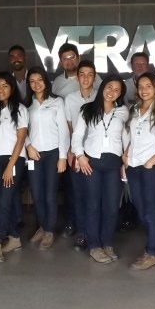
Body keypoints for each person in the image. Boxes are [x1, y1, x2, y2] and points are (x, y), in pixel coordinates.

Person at [71, 75, 128, 264]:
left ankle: (107, 242)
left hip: (113, 164)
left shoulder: (123, 112)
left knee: (111, 206)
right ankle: (94, 245)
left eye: (117, 90)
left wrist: (126, 157)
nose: (112, 92)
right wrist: (80, 156)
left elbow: (126, 138)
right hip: (91, 163)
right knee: (93, 205)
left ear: (120, 94)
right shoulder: (87, 109)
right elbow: (77, 136)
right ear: (102, 87)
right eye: (109, 87)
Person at [123, 72, 155, 269]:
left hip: (152, 167)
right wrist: (126, 154)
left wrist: (151, 162)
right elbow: (133, 137)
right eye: (141, 86)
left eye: (148, 86)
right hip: (133, 165)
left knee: (151, 211)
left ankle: (151, 252)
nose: (144, 90)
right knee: (141, 209)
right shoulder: (134, 110)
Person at [0, 73, 28, 262]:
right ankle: (15, 238)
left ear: (12, 88)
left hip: (14, 160)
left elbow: (21, 140)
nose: (0, 90)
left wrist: (10, 166)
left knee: (4, 200)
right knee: (0, 200)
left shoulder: (20, 110)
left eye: (5, 86)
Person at [24, 66, 69, 250]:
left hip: (52, 154)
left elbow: (63, 130)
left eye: (40, 80)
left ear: (46, 81)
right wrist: (28, 145)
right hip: (34, 155)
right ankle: (42, 227)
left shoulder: (57, 102)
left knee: (50, 195)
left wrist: (62, 156)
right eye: (32, 81)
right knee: (37, 194)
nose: (36, 84)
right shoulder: (27, 105)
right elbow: (21, 130)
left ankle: (49, 230)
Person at [63, 60, 98, 249]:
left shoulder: (101, 96)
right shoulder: (70, 99)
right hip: (77, 153)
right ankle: (82, 233)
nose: (85, 78)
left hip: (96, 153)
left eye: (89, 74)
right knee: (78, 194)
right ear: (77, 78)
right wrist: (71, 150)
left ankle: (94, 232)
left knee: (94, 196)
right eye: (82, 74)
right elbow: (70, 127)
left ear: (95, 77)